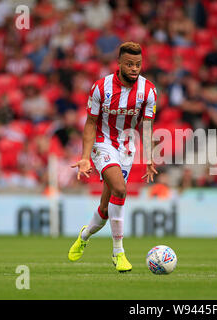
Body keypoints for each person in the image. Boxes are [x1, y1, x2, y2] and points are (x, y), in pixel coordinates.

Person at [68, 42, 158, 272]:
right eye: (129, 64)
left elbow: (147, 126)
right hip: (102, 143)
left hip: (127, 148)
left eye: (138, 64)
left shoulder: (148, 91)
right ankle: (119, 252)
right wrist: (85, 157)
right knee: (120, 189)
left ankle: (84, 235)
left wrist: (149, 156)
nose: (134, 68)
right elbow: (90, 123)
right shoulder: (101, 87)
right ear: (118, 63)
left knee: (106, 209)